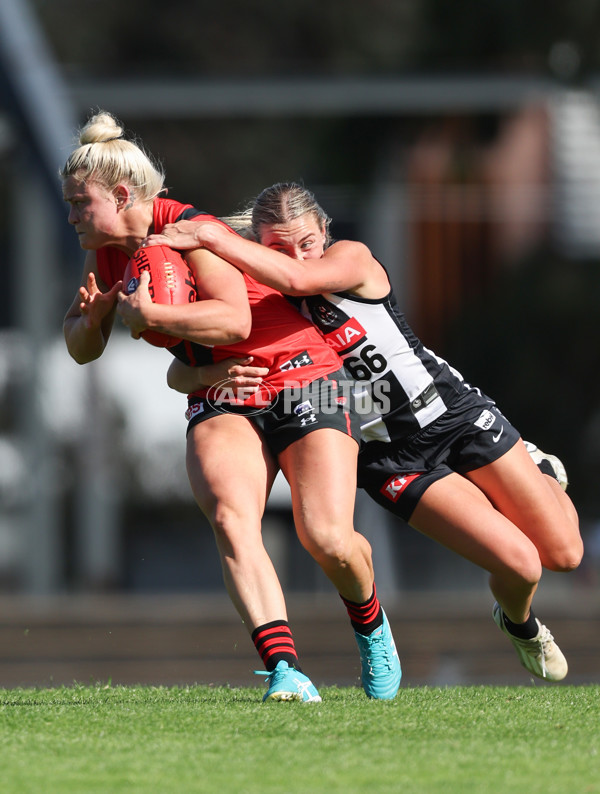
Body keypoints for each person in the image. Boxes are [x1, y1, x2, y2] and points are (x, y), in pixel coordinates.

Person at [146, 181, 584, 683]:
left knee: (565, 554)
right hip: (386, 455)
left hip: (451, 415)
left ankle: (538, 467)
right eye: (279, 246)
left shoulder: (349, 258)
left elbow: (295, 276)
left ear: (325, 232)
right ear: (260, 244)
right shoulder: (248, 293)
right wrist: (206, 372)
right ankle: (519, 622)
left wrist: (208, 236)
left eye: (307, 241)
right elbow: (180, 371)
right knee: (523, 566)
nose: (297, 255)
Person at [61, 115, 401, 702]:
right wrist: (90, 322)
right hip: (224, 392)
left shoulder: (191, 230)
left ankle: (370, 625)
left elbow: (235, 319)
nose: (71, 217)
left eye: (78, 204)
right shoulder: (109, 250)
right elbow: (81, 349)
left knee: (327, 538)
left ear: (121, 196)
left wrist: (155, 319)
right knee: (230, 515)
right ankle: (286, 669)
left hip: (306, 376)